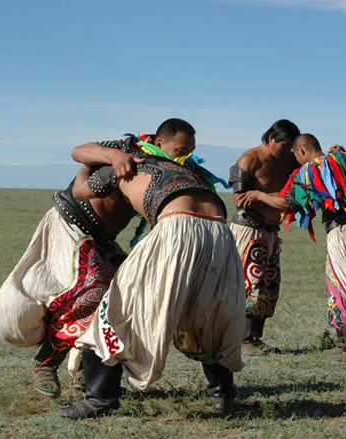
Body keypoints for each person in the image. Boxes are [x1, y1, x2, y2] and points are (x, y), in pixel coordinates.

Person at [59, 118, 245, 419]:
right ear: (160, 143)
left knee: (120, 308)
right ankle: (223, 396)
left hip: (178, 226)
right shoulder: (190, 171)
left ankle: (100, 399)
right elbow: (80, 150)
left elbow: (80, 190)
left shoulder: (127, 164)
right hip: (221, 232)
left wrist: (102, 163)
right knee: (210, 315)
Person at [0, 154, 137, 399]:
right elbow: (80, 151)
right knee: (91, 289)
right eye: (181, 147)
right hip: (70, 225)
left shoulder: (161, 173)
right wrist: (114, 155)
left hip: (102, 240)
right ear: (160, 142)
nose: (184, 154)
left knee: (127, 289)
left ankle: (88, 368)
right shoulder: (125, 152)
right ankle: (46, 362)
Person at [238, 135, 346, 362]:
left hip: (342, 236)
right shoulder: (344, 160)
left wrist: (258, 195)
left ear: (300, 152)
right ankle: (345, 344)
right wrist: (344, 157)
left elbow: (286, 203)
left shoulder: (307, 173)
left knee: (345, 288)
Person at [228, 119, 300, 356]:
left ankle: (254, 338)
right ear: (271, 139)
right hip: (249, 231)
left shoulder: (289, 160)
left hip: (271, 232)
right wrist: (269, 198)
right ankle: (243, 339)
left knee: (268, 287)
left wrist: (259, 194)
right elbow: (240, 200)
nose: (286, 151)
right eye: (284, 145)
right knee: (251, 285)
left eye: (290, 147)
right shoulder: (250, 159)